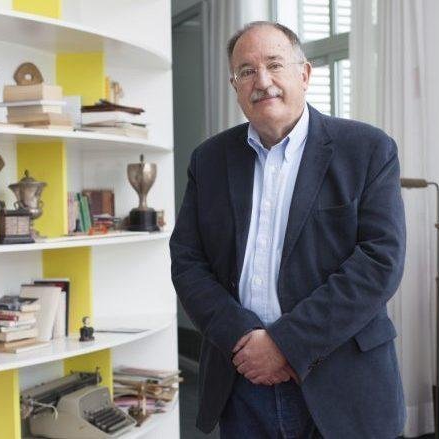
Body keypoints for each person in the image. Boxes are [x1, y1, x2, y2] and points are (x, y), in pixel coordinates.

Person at [170, 21, 406, 438]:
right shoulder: (209, 160)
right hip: (242, 379)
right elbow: (188, 260)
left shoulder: (367, 150)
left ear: (305, 74)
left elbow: (379, 262)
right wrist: (243, 338)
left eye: (274, 65)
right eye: (246, 71)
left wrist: (285, 345)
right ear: (235, 86)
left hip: (341, 381)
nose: (262, 81)